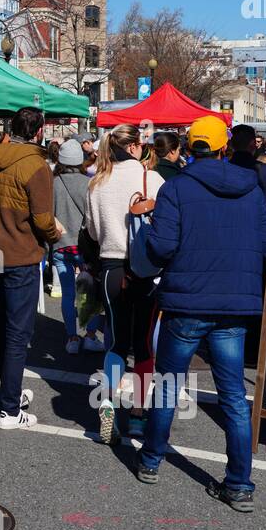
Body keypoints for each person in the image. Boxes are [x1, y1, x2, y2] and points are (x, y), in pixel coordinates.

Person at [135, 116, 266, 513]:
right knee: (233, 397)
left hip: (186, 301)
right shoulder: (252, 189)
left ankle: (150, 460)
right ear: (222, 147)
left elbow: (161, 247)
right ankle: (240, 484)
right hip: (233, 303)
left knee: (167, 385)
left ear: (191, 146)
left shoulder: (177, 187)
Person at [0, 107, 61, 430]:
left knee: (4, 327)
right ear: (39, 132)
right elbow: (42, 220)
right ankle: (10, 409)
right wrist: (55, 234)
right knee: (17, 333)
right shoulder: (35, 165)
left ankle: (10, 393)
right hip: (19, 257)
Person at [86, 123, 164, 442]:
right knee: (144, 345)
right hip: (144, 270)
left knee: (116, 340)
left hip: (110, 267)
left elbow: (92, 232)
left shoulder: (97, 183)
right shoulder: (152, 179)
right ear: (133, 147)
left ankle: (107, 400)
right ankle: (137, 414)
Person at [52, 139, 101, 354]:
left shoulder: (52, 184)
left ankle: (72, 338)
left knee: (68, 294)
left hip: (60, 245)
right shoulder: (88, 183)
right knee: (89, 292)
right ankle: (90, 336)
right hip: (84, 247)